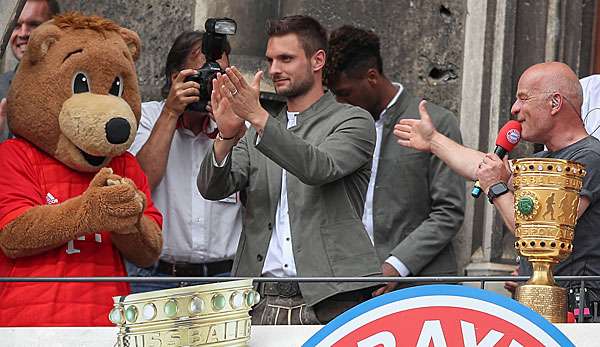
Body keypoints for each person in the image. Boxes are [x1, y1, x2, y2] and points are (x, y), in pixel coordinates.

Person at [197, 15, 381, 325]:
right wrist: (226, 137)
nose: (274, 70)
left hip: (332, 296)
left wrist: (257, 118)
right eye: (270, 60)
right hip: (258, 298)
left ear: (317, 60)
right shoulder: (261, 124)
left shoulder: (353, 120)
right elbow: (212, 188)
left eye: (286, 59)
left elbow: (318, 168)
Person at [395, 62, 600, 304]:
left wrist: (495, 188)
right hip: (541, 300)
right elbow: (482, 166)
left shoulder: (588, 157)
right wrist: (434, 141)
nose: (515, 109)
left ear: (555, 103)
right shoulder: (542, 159)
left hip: (576, 305)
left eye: (523, 99)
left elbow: (539, 231)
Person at [325, 25, 465, 295]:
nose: (340, 102)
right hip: (349, 285)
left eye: (345, 93)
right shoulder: (338, 125)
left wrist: (396, 266)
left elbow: (449, 211)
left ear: (372, 77)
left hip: (422, 287)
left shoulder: (437, 123)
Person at [126, 31, 242, 293]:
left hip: (224, 276)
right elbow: (139, 185)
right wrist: (170, 113)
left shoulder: (241, 125)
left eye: (218, 76)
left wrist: (232, 130)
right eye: (199, 75)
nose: (209, 84)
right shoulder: (148, 117)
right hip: (156, 276)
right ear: (174, 78)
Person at [0, 0, 60, 142]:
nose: (23, 33)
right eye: (17, 26)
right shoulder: (1, 86)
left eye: (34, 25)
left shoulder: (71, 85)